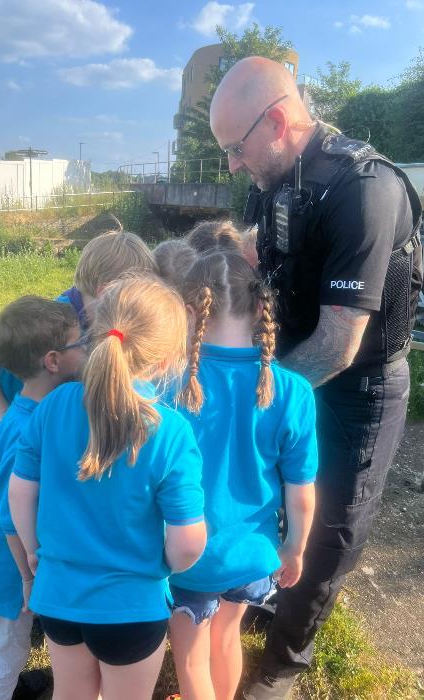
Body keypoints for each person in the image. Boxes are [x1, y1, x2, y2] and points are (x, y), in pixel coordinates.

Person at [209, 56, 423, 699]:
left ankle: (283, 662)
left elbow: (337, 344)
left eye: (234, 148)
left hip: (359, 384)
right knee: (279, 489)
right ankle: (271, 590)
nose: (232, 166)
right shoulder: (278, 172)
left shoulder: (364, 189)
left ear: (276, 121)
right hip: (295, 364)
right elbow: (260, 244)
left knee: (334, 521)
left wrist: (249, 402)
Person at [0, 229, 157, 668]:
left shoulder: (102, 327)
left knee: (21, 523)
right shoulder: (50, 321)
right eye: (130, 293)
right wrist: (7, 419)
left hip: (33, 442)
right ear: (105, 290)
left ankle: (27, 594)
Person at [9, 276, 208, 700]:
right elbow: (188, 544)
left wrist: (31, 549)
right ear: (169, 359)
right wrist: (166, 565)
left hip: (59, 597)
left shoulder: (53, 406)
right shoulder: (171, 432)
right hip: (132, 608)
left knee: (70, 694)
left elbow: (20, 492)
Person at [166, 251, 317, 700]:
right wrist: (294, 549)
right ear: (258, 307)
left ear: (189, 312)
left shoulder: (167, 383)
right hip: (252, 557)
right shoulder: (294, 390)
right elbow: (302, 492)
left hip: (186, 557)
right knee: (226, 637)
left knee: (190, 657)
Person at [0, 296, 86, 700]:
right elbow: (7, 516)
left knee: (11, 646)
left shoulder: (32, 410)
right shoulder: (27, 429)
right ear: (53, 361)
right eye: (80, 342)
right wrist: (27, 578)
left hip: (9, 565)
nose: (86, 347)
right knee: (7, 653)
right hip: (8, 571)